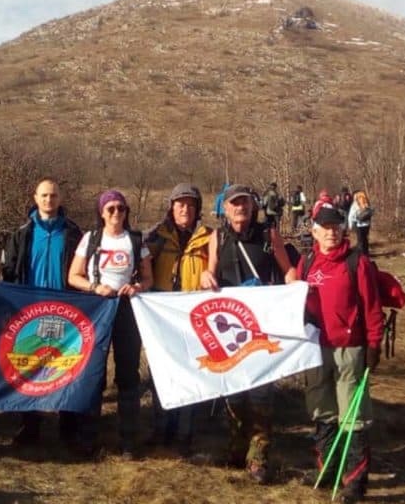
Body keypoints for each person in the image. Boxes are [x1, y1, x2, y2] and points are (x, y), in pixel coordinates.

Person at [199, 184, 297, 483]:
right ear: (224, 209)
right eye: (233, 204)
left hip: (261, 326)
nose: (240, 208)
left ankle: (259, 460)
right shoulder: (218, 237)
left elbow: (288, 270)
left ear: (253, 207)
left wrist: (297, 292)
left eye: (244, 203)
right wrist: (205, 276)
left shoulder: (269, 235)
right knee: (234, 394)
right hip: (230, 329)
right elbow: (211, 272)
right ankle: (237, 450)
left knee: (261, 395)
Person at [300, 204, 383, 501]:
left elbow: (372, 307)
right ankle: (327, 469)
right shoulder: (307, 263)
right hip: (315, 349)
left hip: (350, 350)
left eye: (336, 226)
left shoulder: (356, 263)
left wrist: (374, 345)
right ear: (315, 232)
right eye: (325, 227)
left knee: (353, 416)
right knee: (322, 410)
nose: (332, 232)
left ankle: (355, 481)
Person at [67, 189, 153, 458]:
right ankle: (88, 437)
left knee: (128, 375)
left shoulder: (136, 240)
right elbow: (73, 276)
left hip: (127, 309)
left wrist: (138, 286)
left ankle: (128, 439)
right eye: (111, 209)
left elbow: (149, 279)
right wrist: (94, 287)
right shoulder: (90, 239)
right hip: (97, 307)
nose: (116, 213)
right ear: (102, 212)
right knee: (93, 372)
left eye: (121, 208)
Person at [0, 178, 83, 448]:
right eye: (44, 195)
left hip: (66, 312)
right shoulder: (21, 234)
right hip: (29, 312)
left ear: (60, 198)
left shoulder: (74, 233)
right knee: (30, 367)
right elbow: (9, 272)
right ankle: (29, 424)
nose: (49, 200)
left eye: (54, 195)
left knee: (67, 365)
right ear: (35, 198)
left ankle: (69, 426)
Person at [143, 183, 212, 456]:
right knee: (161, 374)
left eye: (190, 204)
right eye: (180, 204)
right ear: (171, 207)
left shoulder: (209, 238)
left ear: (197, 210)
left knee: (191, 374)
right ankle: (162, 429)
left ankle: (185, 433)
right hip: (162, 317)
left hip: (195, 317)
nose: (185, 209)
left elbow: (217, 269)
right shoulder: (155, 237)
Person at [347, 190, 373, 256]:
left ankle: (362, 254)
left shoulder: (356, 203)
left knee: (360, 240)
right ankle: (366, 252)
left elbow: (351, 215)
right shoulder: (366, 202)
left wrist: (350, 225)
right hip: (367, 224)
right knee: (365, 239)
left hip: (359, 224)